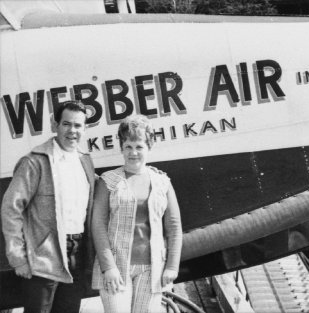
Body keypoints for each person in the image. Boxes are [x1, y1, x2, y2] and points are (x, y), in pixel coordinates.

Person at [1, 100, 96, 313]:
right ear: (55, 126)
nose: (73, 131)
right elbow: (11, 209)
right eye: (66, 124)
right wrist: (18, 258)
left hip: (77, 254)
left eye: (78, 125)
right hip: (44, 257)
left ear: (85, 128)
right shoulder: (34, 162)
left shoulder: (85, 161)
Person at [91, 115, 183, 313]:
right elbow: (98, 226)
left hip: (152, 269)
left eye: (139, 146)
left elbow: (174, 228)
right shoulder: (108, 181)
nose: (133, 153)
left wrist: (172, 266)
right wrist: (108, 267)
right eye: (128, 146)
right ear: (122, 148)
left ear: (149, 146)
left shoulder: (163, 182)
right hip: (116, 267)